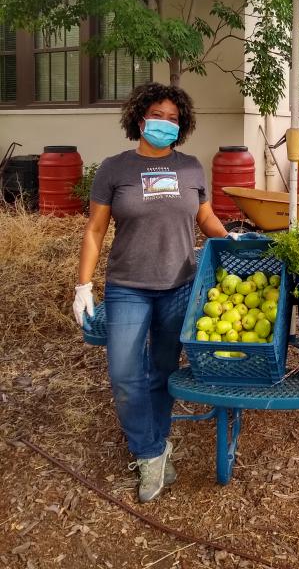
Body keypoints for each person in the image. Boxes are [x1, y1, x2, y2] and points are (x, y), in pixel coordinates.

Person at [73, 82, 229, 503]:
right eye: (157, 115)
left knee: (162, 372)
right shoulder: (115, 168)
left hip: (179, 287)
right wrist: (83, 284)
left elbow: (205, 216)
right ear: (139, 118)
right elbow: (95, 230)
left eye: (173, 119)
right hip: (127, 287)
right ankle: (151, 449)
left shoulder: (191, 167)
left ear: (182, 126)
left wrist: (227, 238)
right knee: (125, 375)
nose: (165, 123)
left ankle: (153, 451)